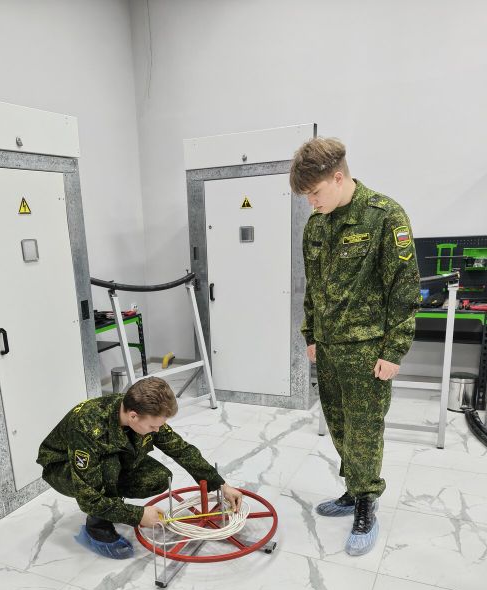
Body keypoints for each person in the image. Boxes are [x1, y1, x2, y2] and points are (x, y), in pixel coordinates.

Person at [290, 137, 420, 556]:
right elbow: (313, 287)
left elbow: (404, 289)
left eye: (314, 192)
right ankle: (353, 488)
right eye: (306, 196)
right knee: (339, 424)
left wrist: (394, 351)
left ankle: (366, 501)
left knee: (365, 429)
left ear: (337, 177)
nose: (311, 202)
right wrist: (312, 335)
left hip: (367, 350)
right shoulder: (317, 225)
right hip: (329, 347)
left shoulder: (384, 215)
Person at [37, 376, 242, 558]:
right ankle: (97, 525)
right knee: (109, 466)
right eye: (153, 426)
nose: (157, 430)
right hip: (62, 467)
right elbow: (87, 498)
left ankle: (112, 504)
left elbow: (181, 450)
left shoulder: (142, 410)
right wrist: (137, 515)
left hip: (108, 458)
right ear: (133, 416)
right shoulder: (88, 426)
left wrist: (220, 484)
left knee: (158, 477)